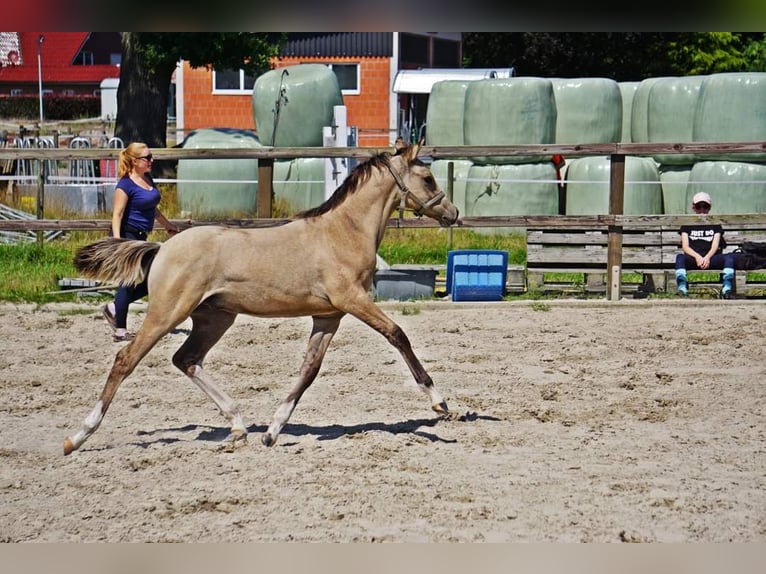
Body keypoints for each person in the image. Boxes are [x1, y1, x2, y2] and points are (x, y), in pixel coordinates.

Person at [102, 142, 179, 341]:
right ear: (135, 162)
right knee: (127, 282)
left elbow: (152, 207)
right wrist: (118, 242)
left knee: (151, 281)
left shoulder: (147, 179)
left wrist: (167, 225)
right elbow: (117, 214)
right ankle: (120, 330)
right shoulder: (125, 185)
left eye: (151, 156)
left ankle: (113, 307)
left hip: (142, 237)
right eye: (147, 158)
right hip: (128, 235)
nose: (151, 160)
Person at [675, 191, 735, 299]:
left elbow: (715, 245)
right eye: (699, 207)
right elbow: (685, 246)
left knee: (729, 257)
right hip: (693, 259)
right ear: (693, 207)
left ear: (709, 207)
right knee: (680, 258)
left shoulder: (715, 224)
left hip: (711, 258)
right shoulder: (687, 224)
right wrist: (698, 257)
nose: (702, 210)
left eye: (705, 206)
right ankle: (682, 288)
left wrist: (707, 258)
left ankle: (727, 289)